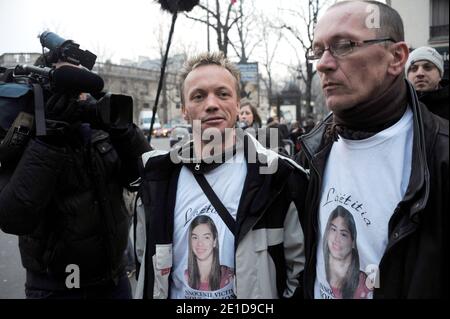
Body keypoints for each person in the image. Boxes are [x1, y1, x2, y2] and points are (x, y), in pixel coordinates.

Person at [296, 0, 448, 299]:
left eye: (343, 45)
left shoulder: (440, 155)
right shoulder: (311, 152)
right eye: (318, 50)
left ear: (395, 57)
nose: (323, 64)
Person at [134, 51, 308, 299]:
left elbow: (299, 273)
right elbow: (145, 266)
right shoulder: (157, 179)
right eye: (198, 96)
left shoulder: (279, 178)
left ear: (238, 104)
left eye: (223, 93)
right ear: (184, 109)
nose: (212, 103)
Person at [0, 58, 151, 298]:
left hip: (114, 279)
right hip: (55, 287)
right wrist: (49, 138)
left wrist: (124, 130)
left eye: (80, 86)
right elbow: (14, 217)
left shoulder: (100, 125)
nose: (76, 95)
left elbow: (144, 175)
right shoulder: (23, 131)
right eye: (66, 84)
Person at [322, 206, 371, 299]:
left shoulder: (365, 283)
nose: (336, 238)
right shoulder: (319, 269)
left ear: (353, 242)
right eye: (333, 229)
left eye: (343, 234)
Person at [184, 215, 233, 291]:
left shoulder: (229, 276)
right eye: (195, 237)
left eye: (206, 237)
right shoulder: (184, 277)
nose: (200, 243)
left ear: (214, 241)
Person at [405, 46, 448, 120]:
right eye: (414, 68)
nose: (420, 73)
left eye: (428, 67)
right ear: (407, 76)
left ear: (440, 75)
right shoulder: (398, 106)